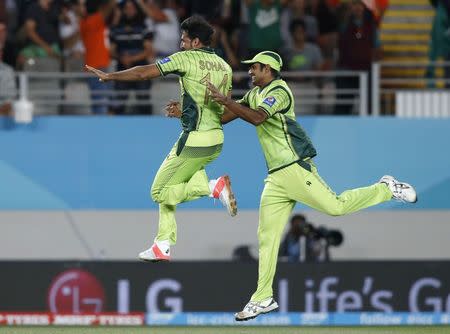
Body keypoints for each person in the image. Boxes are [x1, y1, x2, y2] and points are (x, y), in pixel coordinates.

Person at [206, 50, 417, 321]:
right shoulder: (253, 94)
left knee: (336, 207)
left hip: (294, 167)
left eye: (255, 67)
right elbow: (225, 117)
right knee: (267, 237)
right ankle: (263, 297)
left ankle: (387, 188)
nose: (250, 71)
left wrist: (226, 100)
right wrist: (192, 112)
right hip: (275, 178)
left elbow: (257, 117)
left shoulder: (280, 91)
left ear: (268, 69)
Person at [85, 15, 237, 261]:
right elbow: (222, 112)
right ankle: (162, 244)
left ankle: (212, 187)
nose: (181, 44)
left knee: (159, 191)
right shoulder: (225, 68)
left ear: (196, 42)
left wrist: (110, 76)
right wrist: (184, 111)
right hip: (215, 141)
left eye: (184, 40)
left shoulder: (185, 59)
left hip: (194, 141)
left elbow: (145, 73)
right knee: (174, 185)